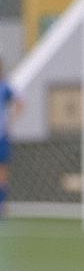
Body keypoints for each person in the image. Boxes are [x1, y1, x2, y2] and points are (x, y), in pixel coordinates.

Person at [0, 60, 24, 218]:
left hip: (2, 135)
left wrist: (12, 120)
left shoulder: (5, 87)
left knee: (2, 171)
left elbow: (21, 102)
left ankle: (2, 205)